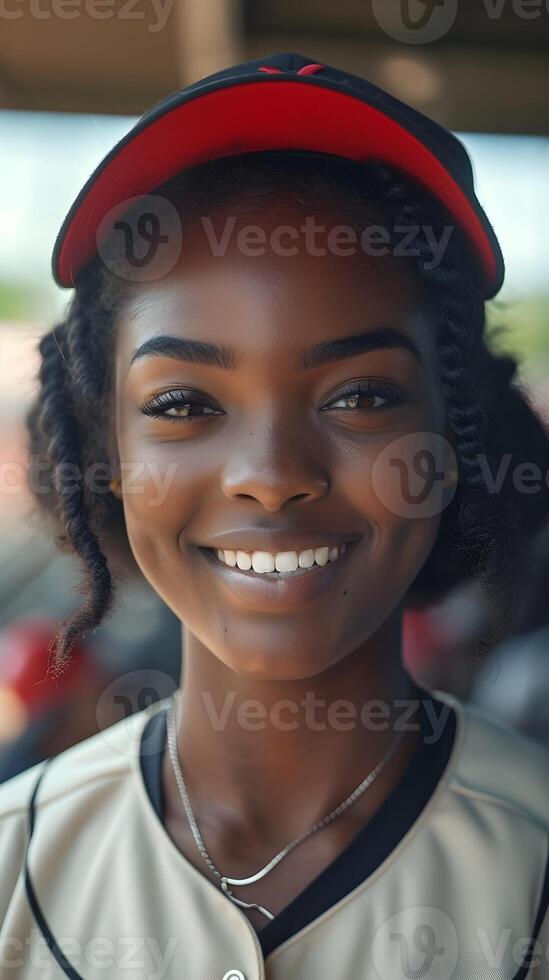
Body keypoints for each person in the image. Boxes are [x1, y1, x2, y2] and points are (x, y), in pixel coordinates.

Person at [1, 52, 548, 980]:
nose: (270, 475)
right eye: (182, 404)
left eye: (361, 395)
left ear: (452, 440)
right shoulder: (17, 861)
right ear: (107, 456)